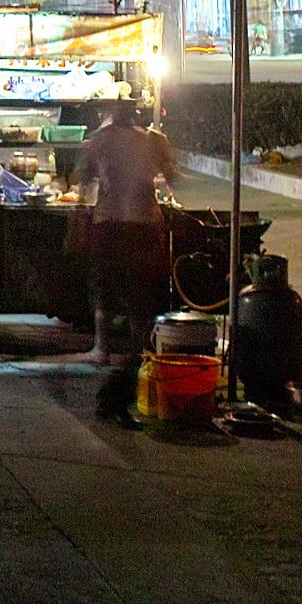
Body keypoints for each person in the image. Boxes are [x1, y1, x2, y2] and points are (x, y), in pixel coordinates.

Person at [76, 98, 178, 426]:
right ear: (134, 114)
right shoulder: (155, 140)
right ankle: (136, 350)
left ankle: (102, 348)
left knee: (104, 287)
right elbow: (173, 178)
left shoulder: (97, 142)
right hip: (146, 225)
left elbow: (83, 184)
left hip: (109, 224)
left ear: (109, 114)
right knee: (143, 295)